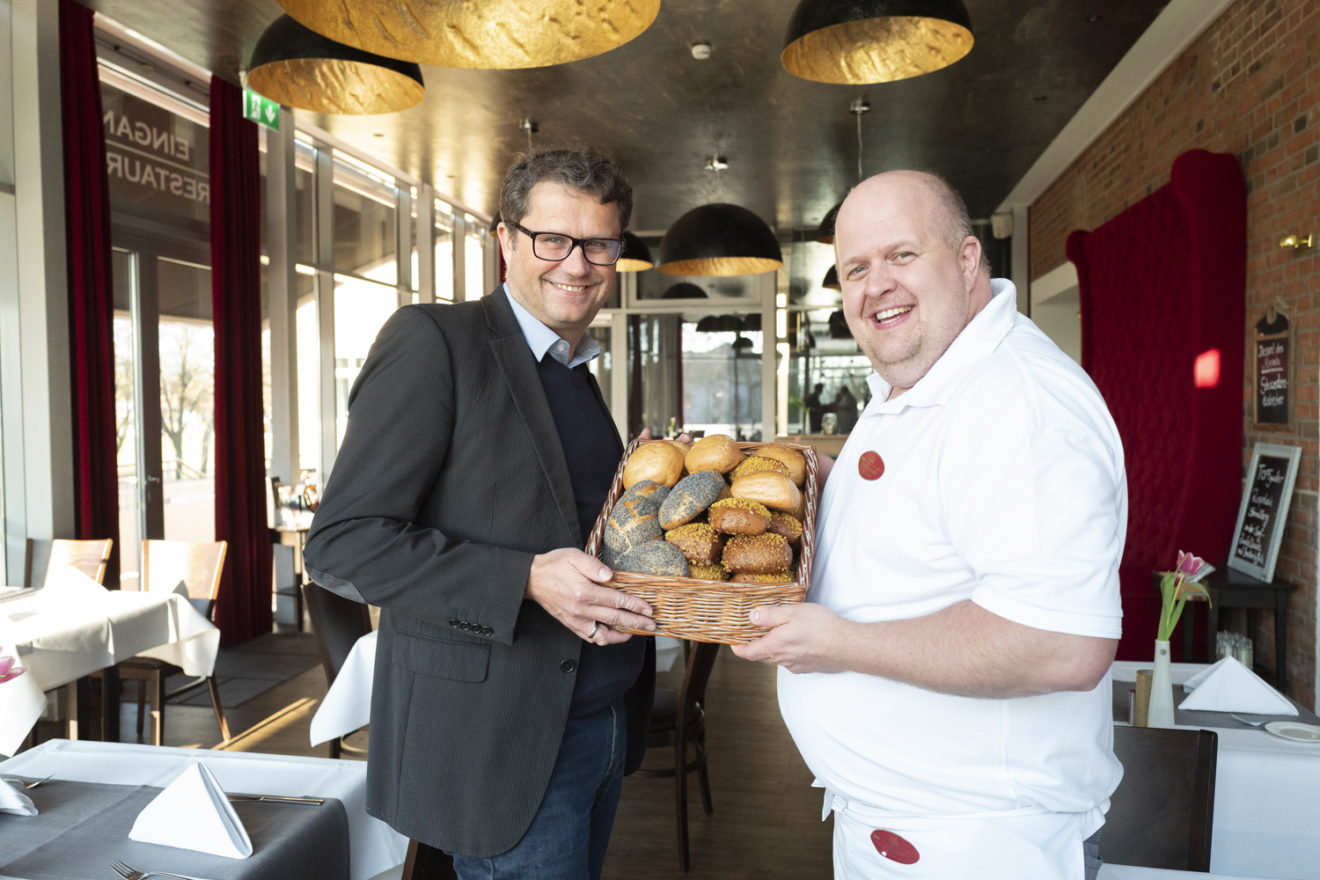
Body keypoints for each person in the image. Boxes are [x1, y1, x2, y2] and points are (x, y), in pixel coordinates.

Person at [733, 170, 1126, 880]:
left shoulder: (1020, 405)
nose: (876, 285)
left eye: (902, 255)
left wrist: (838, 644)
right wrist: (815, 478)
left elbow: (1061, 645)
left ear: (968, 260)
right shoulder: (927, 377)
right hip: (899, 829)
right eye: (855, 268)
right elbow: (923, 517)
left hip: (981, 847)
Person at [303, 148, 657, 879]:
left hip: (602, 721)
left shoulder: (573, 369)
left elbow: (565, 521)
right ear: (505, 239)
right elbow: (342, 544)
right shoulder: (435, 342)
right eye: (552, 239)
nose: (577, 264)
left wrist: (641, 494)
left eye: (599, 244)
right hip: (504, 743)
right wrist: (524, 578)